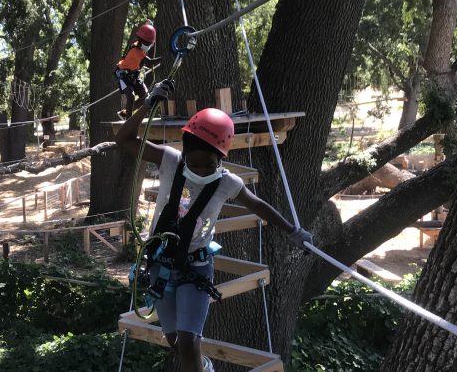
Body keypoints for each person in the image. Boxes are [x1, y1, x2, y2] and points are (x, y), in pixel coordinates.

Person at [116, 79, 312, 372]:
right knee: (174, 340)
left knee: (187, 341)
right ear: (183, 151)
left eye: (208, 165)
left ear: (222, 158)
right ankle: (201, 366)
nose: (200, 171)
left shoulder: (226, 183)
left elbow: (259, 206)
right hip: (160, 265)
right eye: (194, 164)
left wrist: (292, 231)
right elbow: (125, 140)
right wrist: (146, 106)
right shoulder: (170, 161)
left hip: (195, 269)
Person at [114, 20, 162, 119]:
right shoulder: (136, 51)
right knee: (130, 97)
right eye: (147, 43)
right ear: (140, 40)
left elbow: (144, 33)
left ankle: (125, 113)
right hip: (123, 75)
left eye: (149, 43)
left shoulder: (140, 45)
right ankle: (128, 121)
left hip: (133, 75)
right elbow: (149, 63)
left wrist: (148, 25)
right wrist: (165, 57)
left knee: (145, 97)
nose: (148, 45)